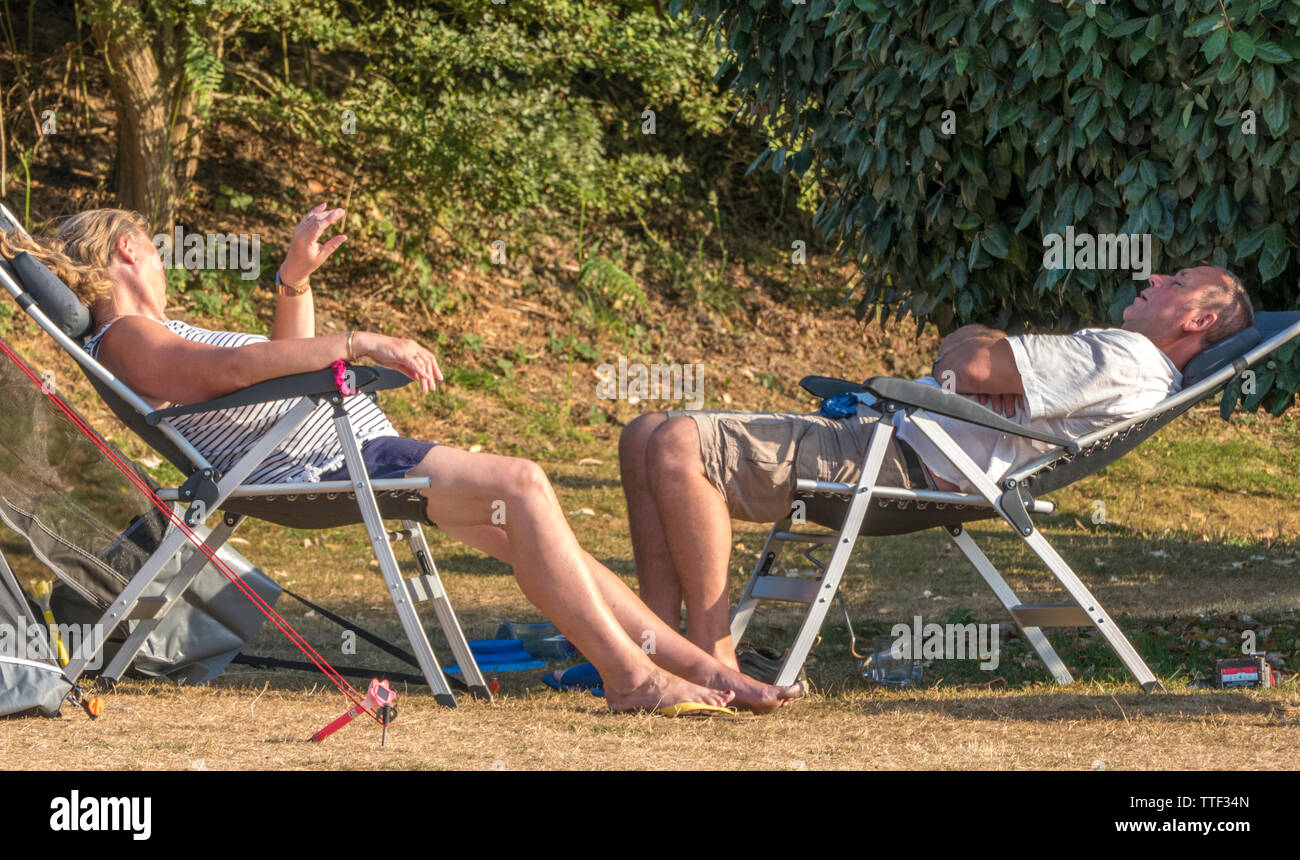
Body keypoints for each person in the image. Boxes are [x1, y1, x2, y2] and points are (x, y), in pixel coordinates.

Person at [1, 204, 803, 714]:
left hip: (333, 450)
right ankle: (632, 678)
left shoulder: (147, 338)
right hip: (327, 463)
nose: (166, 259)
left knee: (533, 525)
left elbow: (273, 364)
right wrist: (358, 343)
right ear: (128, 251)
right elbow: (240, 372)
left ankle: (707, 670)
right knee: (522, 484)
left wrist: (292, 280)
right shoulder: (132, 338)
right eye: (156, 246)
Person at [620, 267, 1255, 670]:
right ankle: (652, 640)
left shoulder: (1125, 357)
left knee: (677, 441)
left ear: (1197, 320)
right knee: (642, 432)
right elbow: (973, 362)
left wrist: (978, 348)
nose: (1153, 277)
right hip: (887, 442)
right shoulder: (1130, 363)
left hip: (899, 462)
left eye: (1174, 283)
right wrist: (980, 350)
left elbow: (964, 367)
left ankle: (709, 659)